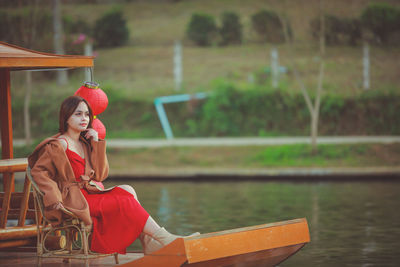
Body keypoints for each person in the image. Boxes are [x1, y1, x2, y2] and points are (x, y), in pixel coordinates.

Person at [28, 95, 194, 255]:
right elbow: (39, 171)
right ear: (66, 117)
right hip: (72, 200)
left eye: (86, 114)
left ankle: (149, 243)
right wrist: (54, 198)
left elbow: (100, 175)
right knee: (125, 201)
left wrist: (97, 144)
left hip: (88, 193)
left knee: (128, 190)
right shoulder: (59, 144)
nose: (84, 118)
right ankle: (165, 239)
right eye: (78, 114)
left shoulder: (84, 143)